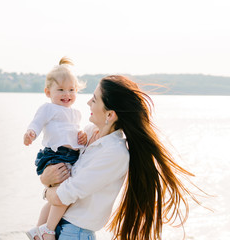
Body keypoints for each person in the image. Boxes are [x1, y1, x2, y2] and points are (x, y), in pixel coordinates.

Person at [41, 75, 200, 240]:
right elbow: (60, 172)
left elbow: (65, 194)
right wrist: (45, 178)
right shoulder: (87, 133)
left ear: (110, 115)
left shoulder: (114, 153)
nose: (88, 102)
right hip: (57, 225)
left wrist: (47, 190)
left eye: (94, 100)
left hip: (75, 233)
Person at [24, 57, 87, 240]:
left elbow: (72, 135)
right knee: (63, 195)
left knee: (54, 200)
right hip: (55, 155)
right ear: (47, 92)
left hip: (70, 156)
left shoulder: (76, 113)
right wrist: (30, 133)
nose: (66, 94)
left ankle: (38, 229)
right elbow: (36, 123)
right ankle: (48, 230)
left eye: (71, 90)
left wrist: (81, 138)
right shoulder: (48, 108)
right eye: (60, 90)